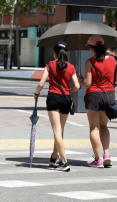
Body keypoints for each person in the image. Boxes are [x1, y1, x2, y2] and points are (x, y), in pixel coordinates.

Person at [34, 41, 80, 172]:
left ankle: (64, 162)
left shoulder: (50, 65)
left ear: (54, 52)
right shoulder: (71, 67)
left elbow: (41, 83)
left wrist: (36, 94)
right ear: (66, 53)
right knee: (60, 131)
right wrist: (68, 91)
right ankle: (53, 158)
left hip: (53, 98)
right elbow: (77, 86)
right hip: (66, 99)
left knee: (56, 131)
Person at [78, 35, 117, 168]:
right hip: (109, 96)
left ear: (92, 48)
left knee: (94, 127)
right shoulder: (113, 60)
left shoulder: (89, 62)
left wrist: (80, 80)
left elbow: (87, 84)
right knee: (104, 126)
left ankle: (98, 159)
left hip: (94, 96)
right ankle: (107, 154)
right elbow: (116, 79)